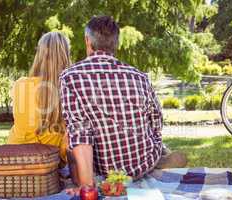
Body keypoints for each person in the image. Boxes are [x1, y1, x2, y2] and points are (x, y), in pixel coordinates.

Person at [61, 16, 187, 195]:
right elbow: (156, 121)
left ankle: (100, 177)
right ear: (116, 44)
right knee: (157, 145)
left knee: (70, 149)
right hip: (143, 161)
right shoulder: (139, 76)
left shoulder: (70, 77)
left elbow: (80, 134)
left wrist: (87, 187)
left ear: (88, 41)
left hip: (105, 170)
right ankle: (158, 161)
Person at [7, 32, 71, 166]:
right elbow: (68, 142)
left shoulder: (21, 85)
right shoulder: (70, 89)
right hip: (50, 163)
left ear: (39, 56)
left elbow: (23, 124)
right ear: (66, 56)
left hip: (15, 159)